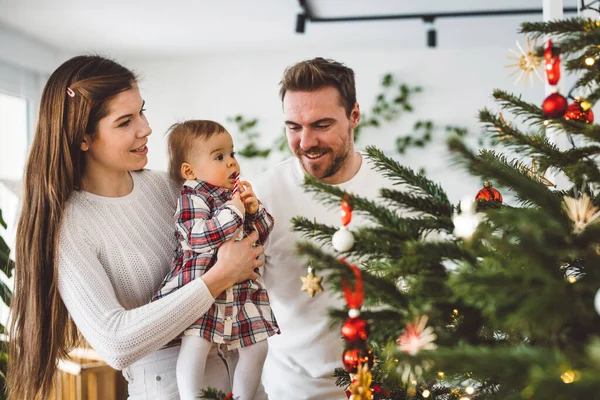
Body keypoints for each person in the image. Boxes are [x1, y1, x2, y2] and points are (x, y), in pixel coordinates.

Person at [7, 55, 263, 400]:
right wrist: (220, 277)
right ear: (83, 137)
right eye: (125, 121)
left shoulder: (172, 188)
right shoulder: (71, 227)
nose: (146, 128)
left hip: (242, 376)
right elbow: (116, 342)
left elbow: (244, 249)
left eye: (142, 111)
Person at [252, 57, 394, 399]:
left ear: (354, 116)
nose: (306, 141)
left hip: (389, 386)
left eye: (322, 125)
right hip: (293, 390)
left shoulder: (397, 190)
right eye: (294, 127)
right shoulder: (259, 197)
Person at [151, 120, 277, 399]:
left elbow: (263, 233)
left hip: (243, 293)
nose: (232, 162)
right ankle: (190, 396)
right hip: (204, 290)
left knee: (258, 347)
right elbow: (198, 237)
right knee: (197, 345)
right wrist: (233, 212)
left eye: (232, 153)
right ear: (189, 170)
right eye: (219, 156)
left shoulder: (237, 196)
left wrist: (254, 210)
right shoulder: (193, 195)